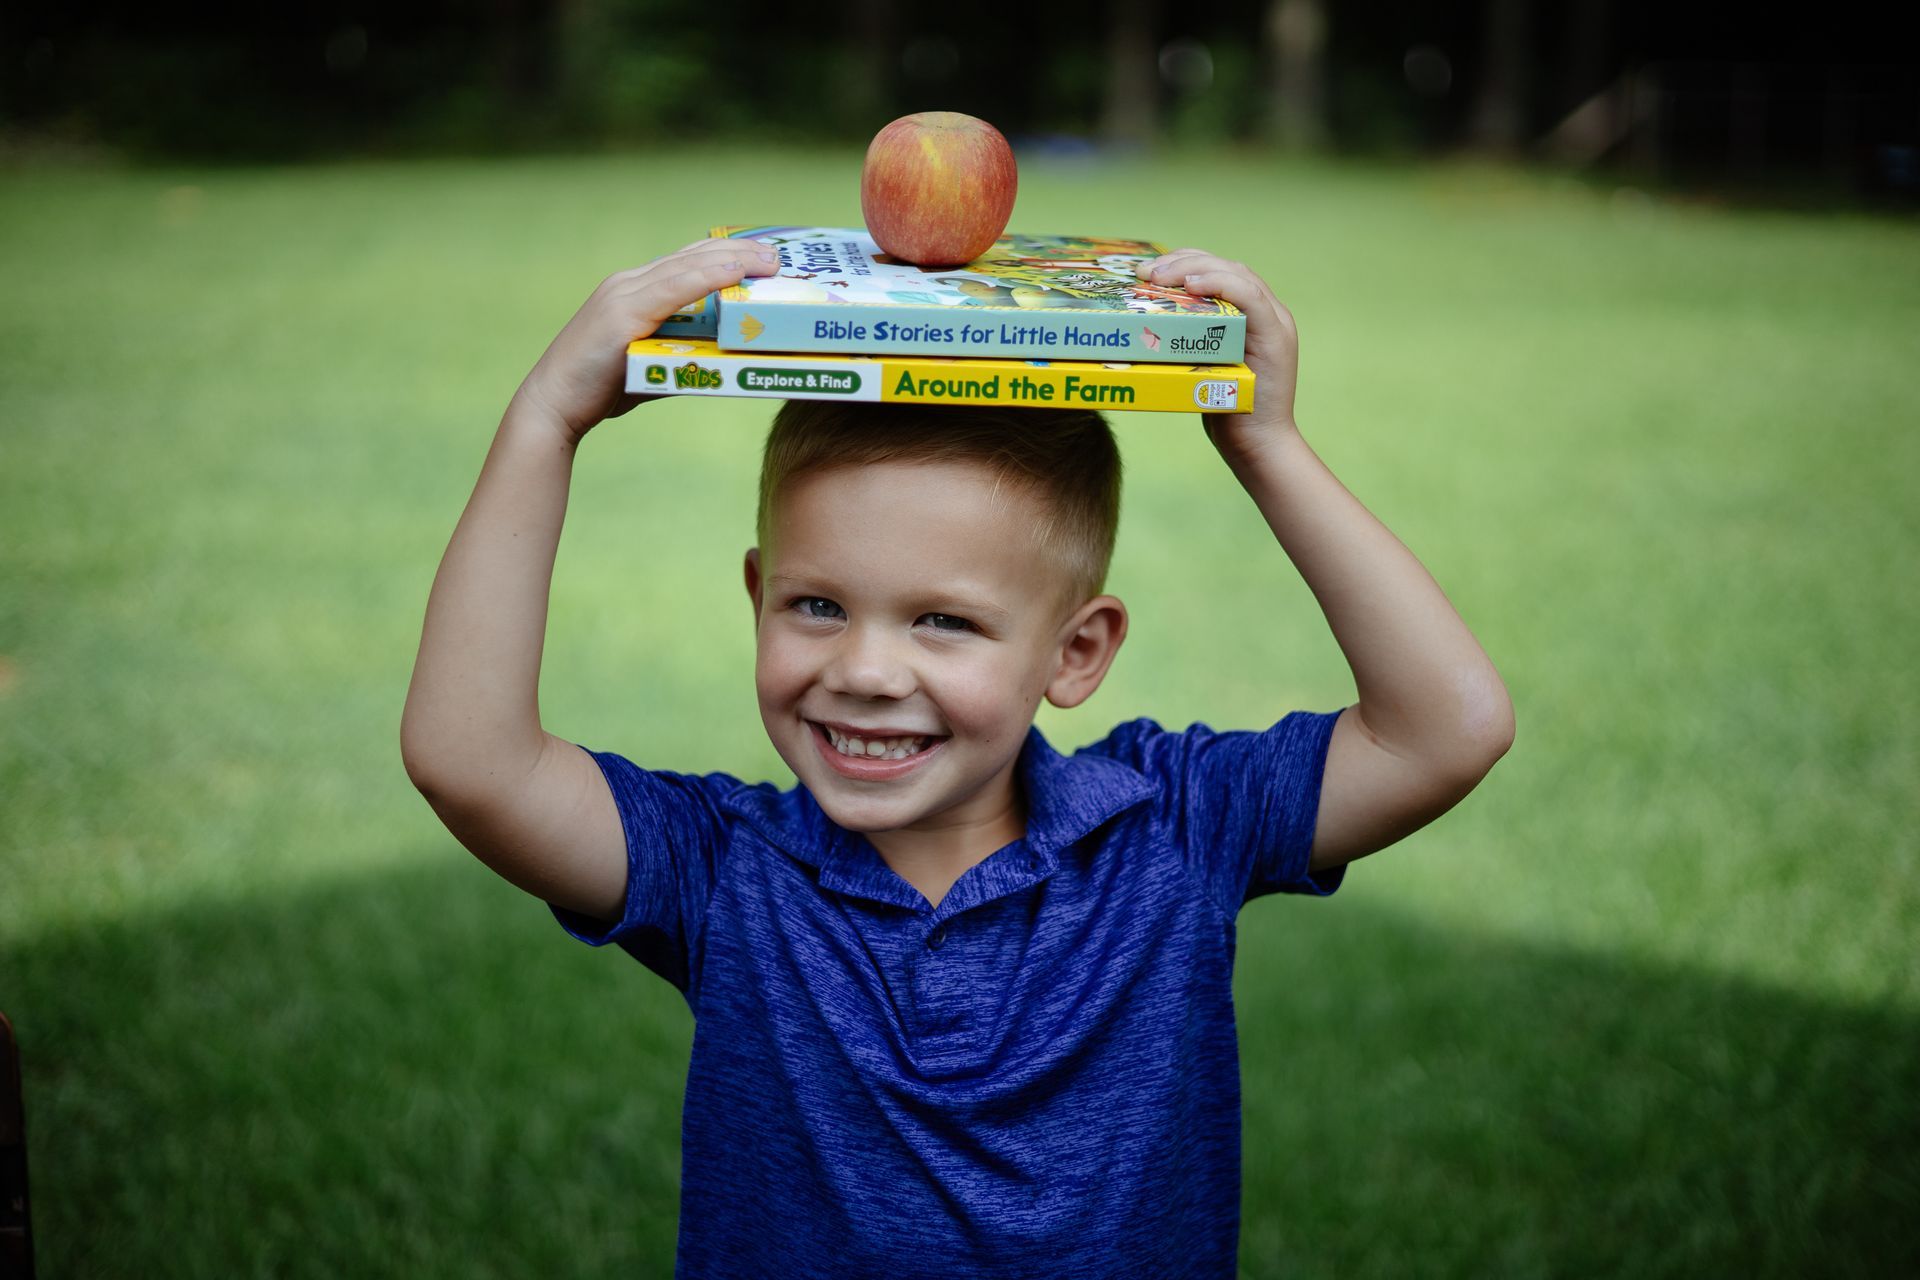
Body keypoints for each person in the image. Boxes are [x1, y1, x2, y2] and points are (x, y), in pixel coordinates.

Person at [400, 238, 1515, 1277]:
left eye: (945, 621)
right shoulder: (728, 867)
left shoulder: (1172, 825)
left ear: (1077, 652)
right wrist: (546, 418)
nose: (869, 668)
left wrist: (1264, 438)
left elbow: (1447, 726)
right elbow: (473, 762)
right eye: (819, 604)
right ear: (758, 598)